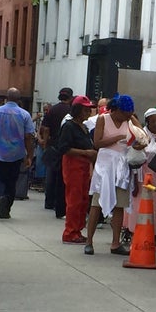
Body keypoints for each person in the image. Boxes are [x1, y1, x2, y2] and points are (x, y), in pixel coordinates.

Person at [84, 94, 144, 256]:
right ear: (115, 110)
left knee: (120, 205)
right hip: (105, 165)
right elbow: (97, 143)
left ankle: (115, 243)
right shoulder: (103, 119)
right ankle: (89, 241)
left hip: (122, 166)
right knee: (96, 204)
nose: (126, 115)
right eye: (124, 112)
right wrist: (117, 137)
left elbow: (142, 136)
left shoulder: (129, 120)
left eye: (129, 113)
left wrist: (131, 118)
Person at [0, 88, 35, 219]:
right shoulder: (24, 115)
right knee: (12, 180)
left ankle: (1, 195)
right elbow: (29, 136)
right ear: (19, 99)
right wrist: (29, 155)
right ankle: (7, 205)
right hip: (16, 154)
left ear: (6, 97)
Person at [56, 96, 97, 244]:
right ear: (78, 110)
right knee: (74, 200)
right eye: (85, 109)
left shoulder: (83, 127)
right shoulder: (69, 126)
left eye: (89, 109)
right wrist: (86, 153)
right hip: (73, 165)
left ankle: (77, 230)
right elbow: (64, 148)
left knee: (83, 200)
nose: (88, 112)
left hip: (84, 165)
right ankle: (70, 232)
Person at [125, 108, 156, 238]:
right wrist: (135, 181)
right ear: (147, 122)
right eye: (152, 121)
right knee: (139, 205)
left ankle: (153, 235)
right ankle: (135, 234)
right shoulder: (141, 135)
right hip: (142, 175)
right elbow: (135, 156)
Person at [40, 87, 74, 219]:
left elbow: (46, 128)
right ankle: (58, 202)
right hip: (65, 145)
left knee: (51, 173)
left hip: (52, 144)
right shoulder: (70, 111)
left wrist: (45, 142)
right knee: (62, 176)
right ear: (70, 97)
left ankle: (49, 201)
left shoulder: (52, 110)